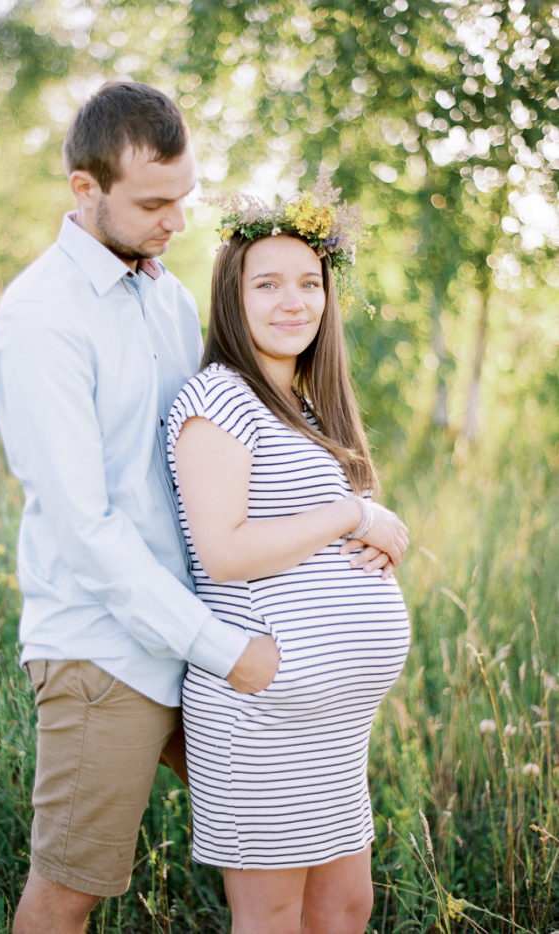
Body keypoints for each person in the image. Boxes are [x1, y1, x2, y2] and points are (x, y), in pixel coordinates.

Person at [0, 80, 280, 934]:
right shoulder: (42, 322)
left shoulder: (168, 297)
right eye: (154, 202)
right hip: (105, 651)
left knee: (268, 840)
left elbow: (207, 463)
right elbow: (87, 532)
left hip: (193, 634)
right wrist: (220, 647)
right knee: (68, 895)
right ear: (86, 189)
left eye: (184, 198)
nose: (177, 222)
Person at [166, 176, 411, 934]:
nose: (292, 301)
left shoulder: (305, 404)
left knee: (344, 909)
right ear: (233, 300)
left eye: (309, 283)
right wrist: (352, 512)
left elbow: (316, 540)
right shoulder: (219, 399)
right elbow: (223, 551)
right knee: (271, 918)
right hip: (262, 720)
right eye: (267, 284)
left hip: (332, 728)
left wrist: (373, 539)